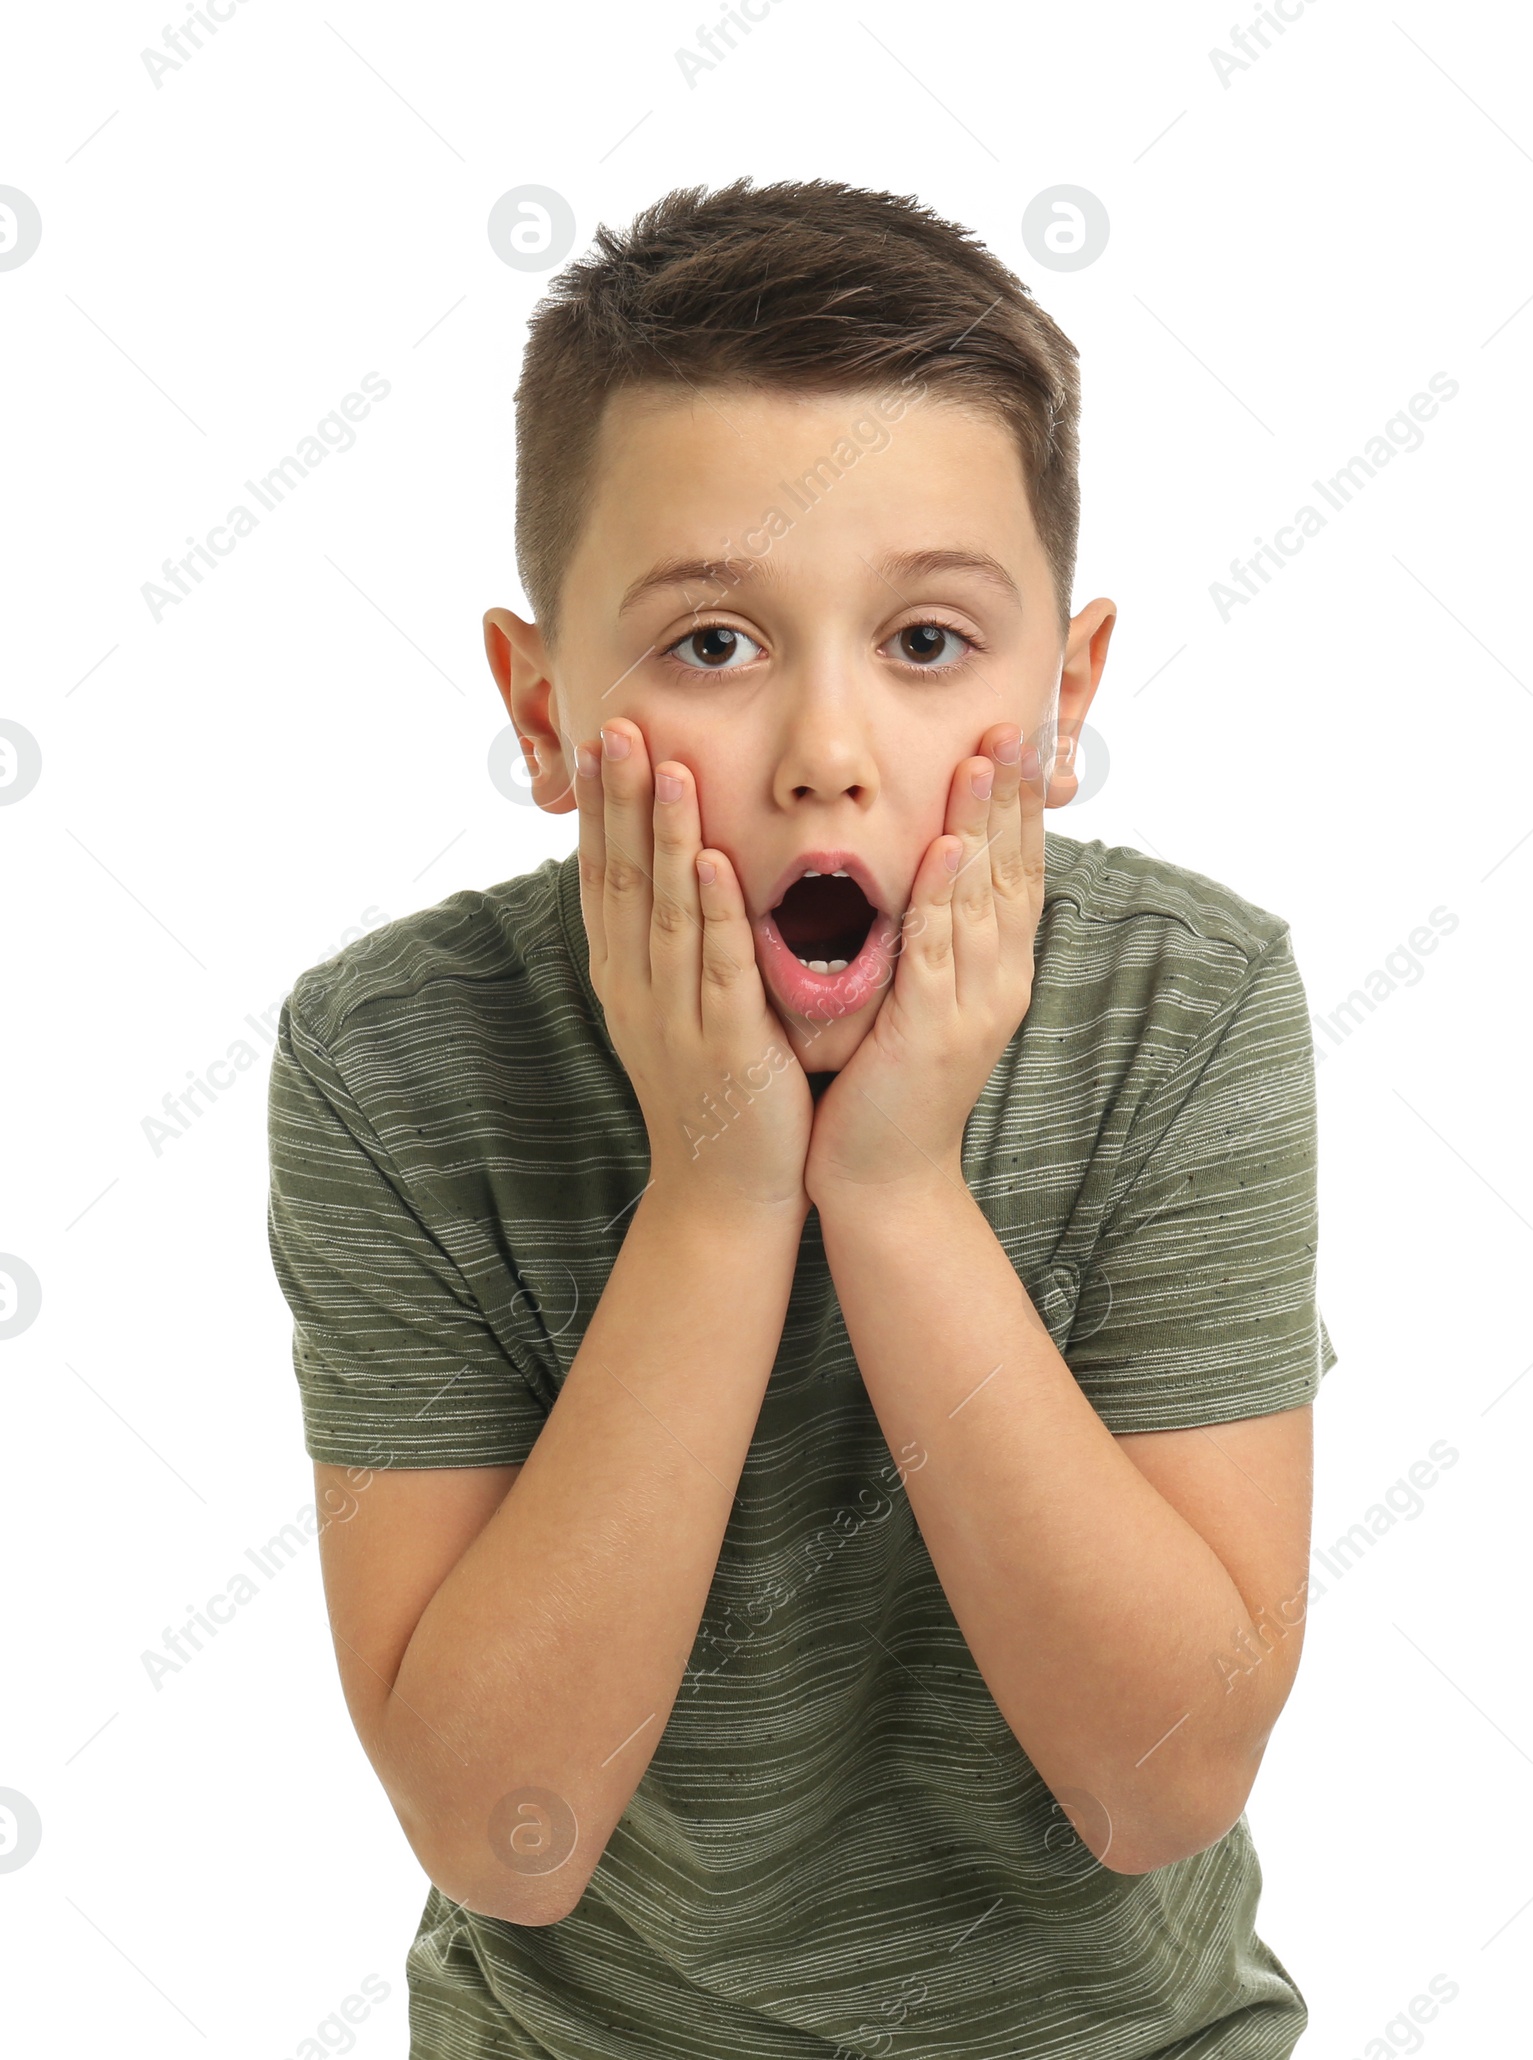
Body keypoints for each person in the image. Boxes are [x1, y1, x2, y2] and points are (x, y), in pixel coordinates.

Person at [267, 175, 1336, 2059]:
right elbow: (503, 1836)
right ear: (538, 709)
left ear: (1065, 695)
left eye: (928, 644)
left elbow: (1158, 1788)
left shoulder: (1191, 1009)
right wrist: (715, 1194)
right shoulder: (396, 1062)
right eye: (711, 647)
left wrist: (903, 1194)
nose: (831, 753)